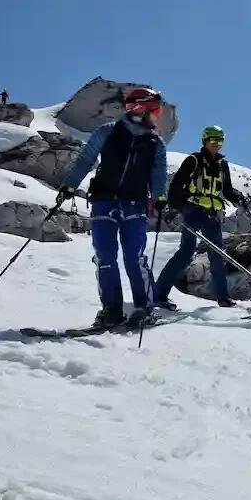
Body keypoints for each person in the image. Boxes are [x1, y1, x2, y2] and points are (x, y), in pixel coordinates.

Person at [57, 88, 168, 329]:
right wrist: (69, 186)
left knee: (133, 256)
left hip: (134, 204)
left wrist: (160, 198)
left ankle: (144, 308)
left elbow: (158, 175)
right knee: (104, 256)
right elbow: (86, 159)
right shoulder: (107, 132)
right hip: (103, 201)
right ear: (141, 109)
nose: (156, 116)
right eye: (155, 110)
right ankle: (112, 309)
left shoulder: (155, 142)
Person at [152, 125, 249, 311]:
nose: (217, 145)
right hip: (193, 212)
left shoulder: (222, 165)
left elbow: (226, 190)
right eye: (213, 141)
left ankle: (223, 297)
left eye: (220, 142)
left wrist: (238, 198)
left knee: (217, 256)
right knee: (186, 253)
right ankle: (158, 294)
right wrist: (180, 206)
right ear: (205, 141)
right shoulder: (193, 161)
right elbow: (175, 187)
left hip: (212, 215)